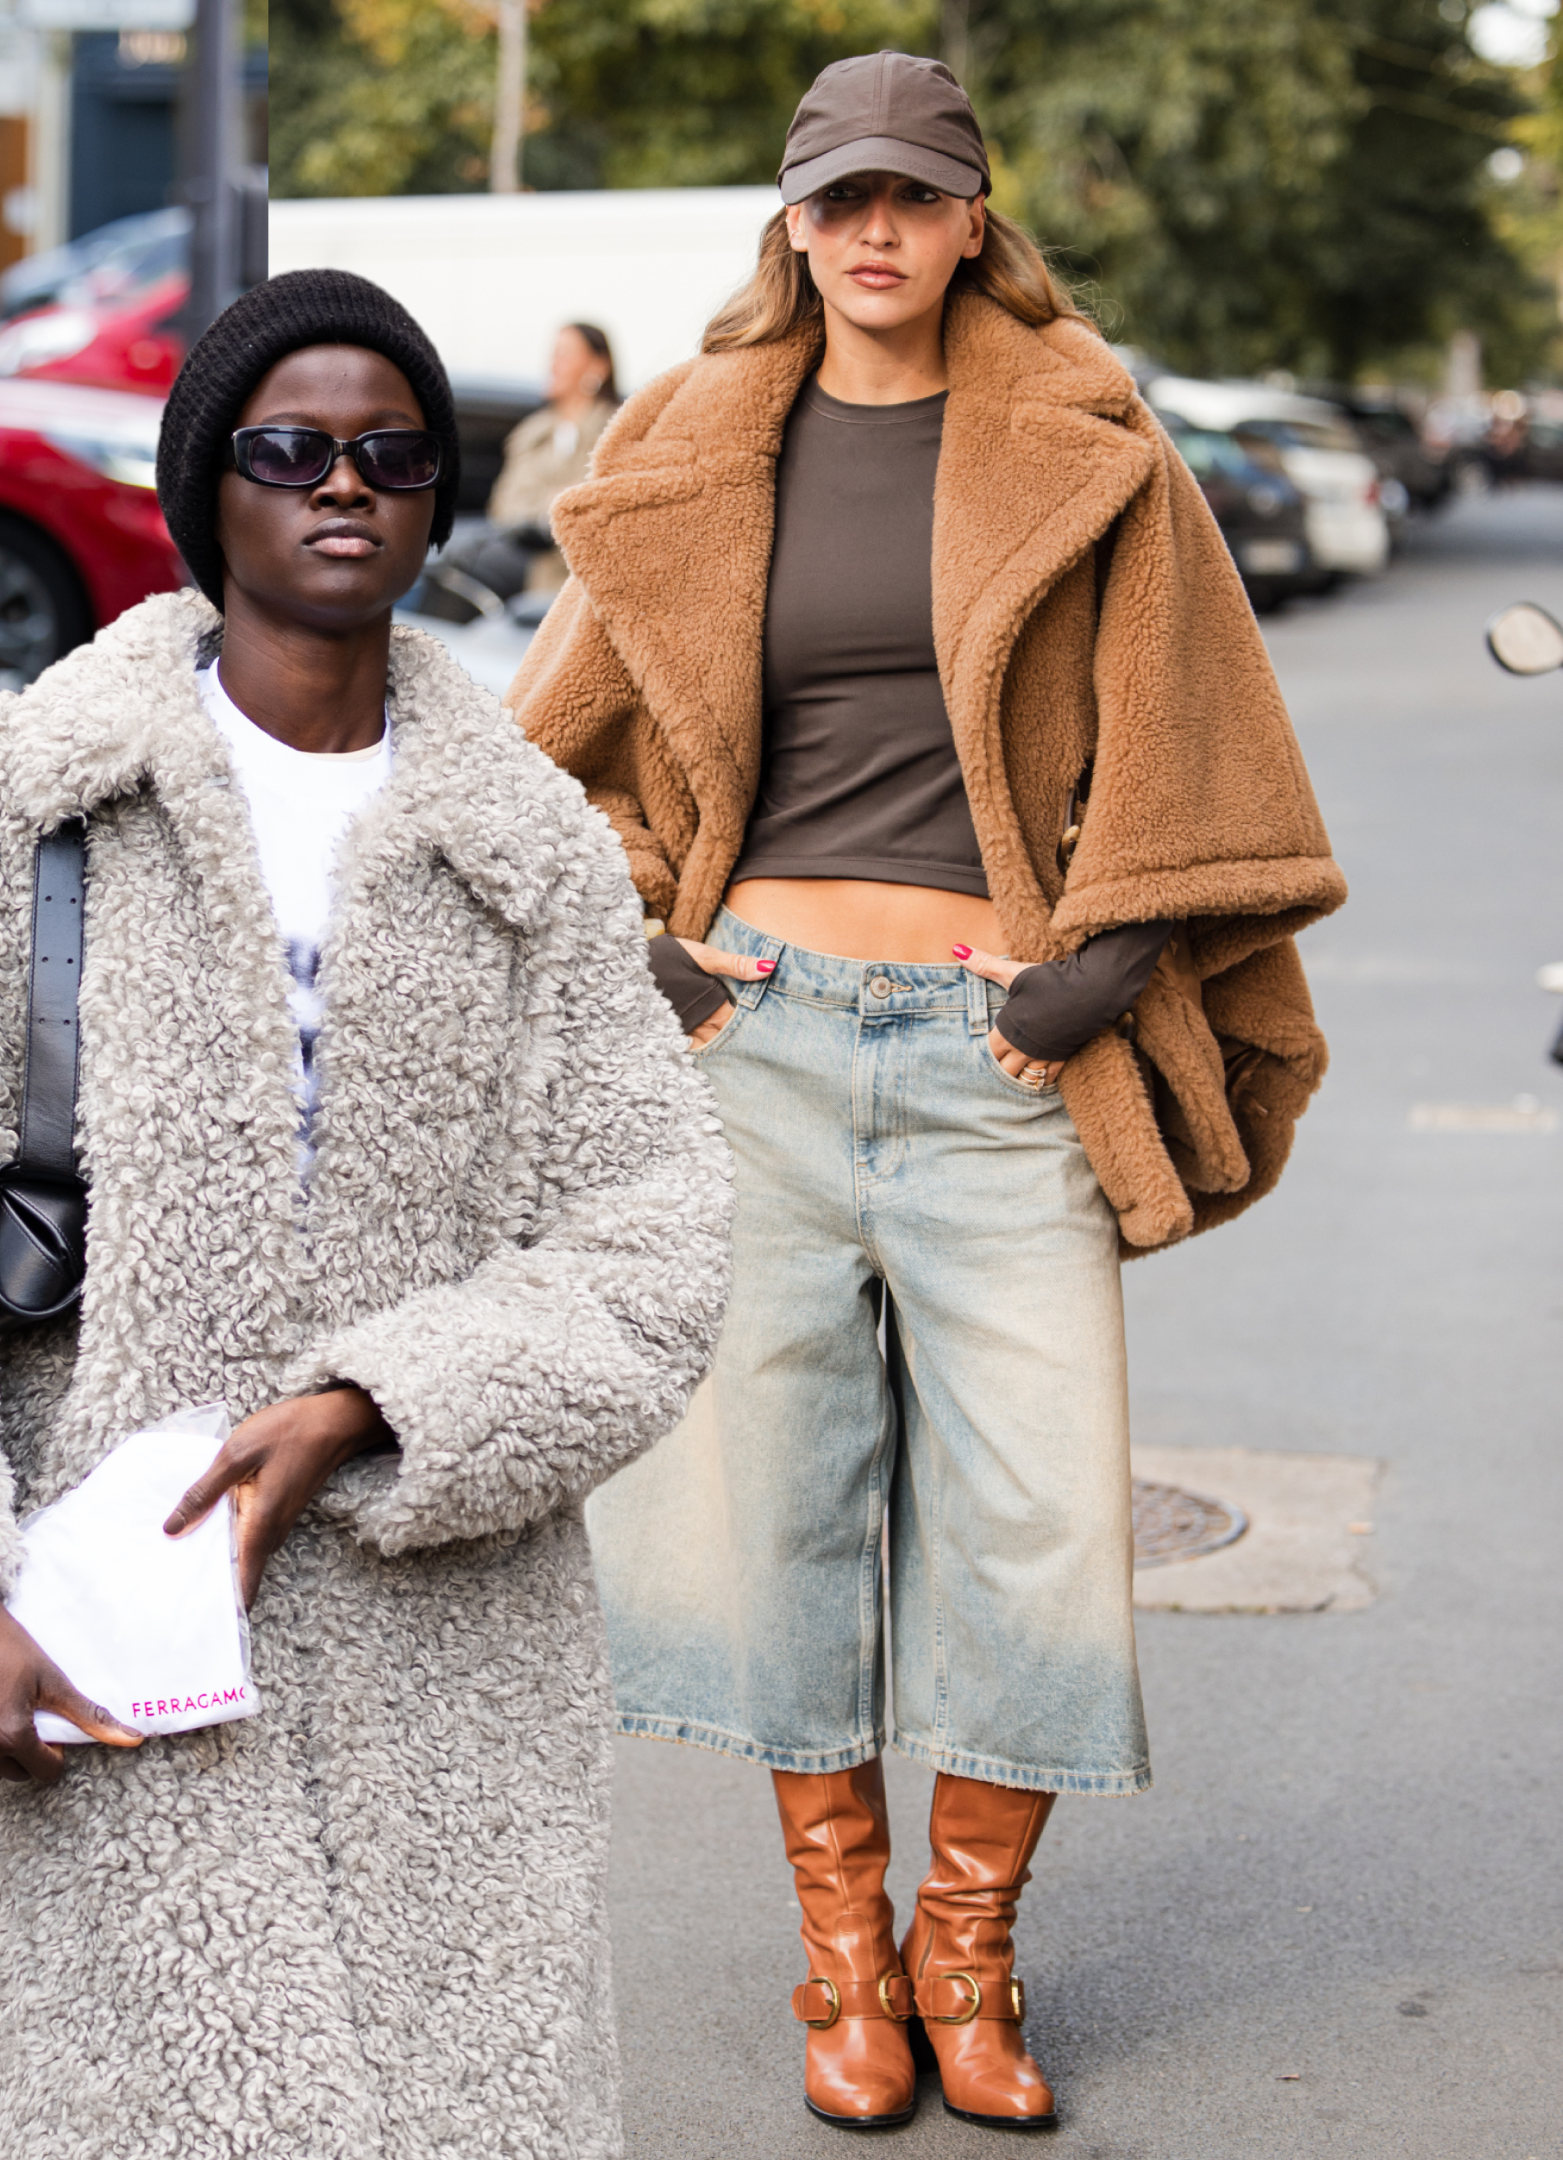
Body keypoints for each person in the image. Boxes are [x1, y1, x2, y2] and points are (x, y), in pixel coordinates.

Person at [0, 268, 730, 2160]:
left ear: (438, 496)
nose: (343, 484)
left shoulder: (524, 836)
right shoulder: (25, 796)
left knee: (467, 2111)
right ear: (209, 486)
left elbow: (652, 1234)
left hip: (450, 1655)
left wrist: (378, 1404)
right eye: (290, 450)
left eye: (392, 453)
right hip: (98, 1619)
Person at [512, 52, 1346, 2134]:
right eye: (838, 199)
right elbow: (542, 759)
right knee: (771, 1514)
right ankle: (845, 1960)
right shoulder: (692, 435)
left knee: (1041, 1520)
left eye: (911, 195)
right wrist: (655, 959)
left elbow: (1202, 752)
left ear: (975, 218)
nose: (872, 230)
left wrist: (1090, 986)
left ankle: (968, 1955)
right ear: (791, 226)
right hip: (756, 1051)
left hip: (1001, 1061)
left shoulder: (1093, 437)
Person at [439, 319, 617, 603]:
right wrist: (556, 502)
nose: (553, 365)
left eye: (564, 355)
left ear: (598, 366)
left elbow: (601, 504)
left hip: (573, 564)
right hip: (521, 546)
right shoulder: (531, 433)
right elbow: (505, 506)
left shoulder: (616, 431)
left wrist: (559, 502)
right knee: (442, 555)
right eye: (552, 355)